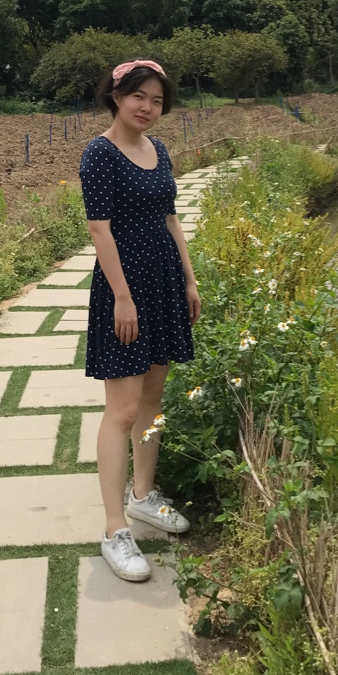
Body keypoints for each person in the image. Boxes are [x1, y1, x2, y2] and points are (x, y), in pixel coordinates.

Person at [78, 59, 201, 582]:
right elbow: (99, 230)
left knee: (153, 396)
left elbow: (171, 217)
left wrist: (189, 279)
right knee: (123, 409)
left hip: (164, 282)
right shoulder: (100, 153)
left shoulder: (160, 150)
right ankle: (114, 530)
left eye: (156, 100)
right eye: (138, 97)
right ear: (115, 96)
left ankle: (144, 496)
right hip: (124, 290)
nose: (147, 107)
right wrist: (122, 298)